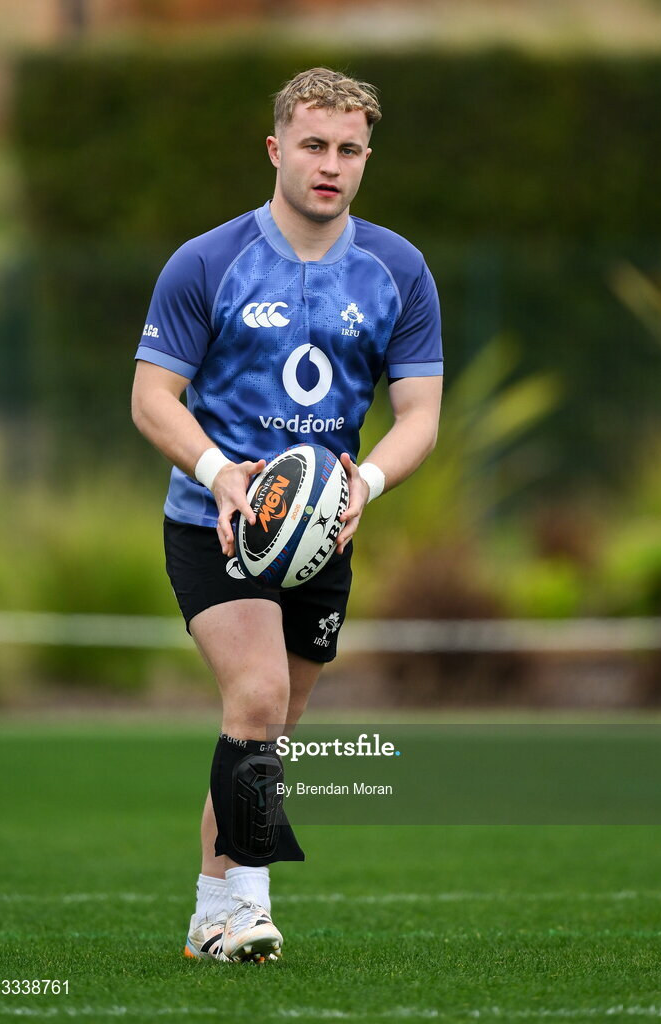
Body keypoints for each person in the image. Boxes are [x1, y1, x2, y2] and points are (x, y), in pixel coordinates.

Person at [131, 67, 443, 964]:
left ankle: (210, 915)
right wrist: (219, 473)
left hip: (319, 534)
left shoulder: (398, 270)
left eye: (349, 150)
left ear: (366, 159)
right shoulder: (206, 262)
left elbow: (419, 416)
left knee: (265, 723)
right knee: (259, 695)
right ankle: (248, 907)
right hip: (216, 519)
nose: (330, 165)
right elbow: (152, 398)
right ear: (276, 150)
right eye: (313, 145)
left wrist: (364, 485)